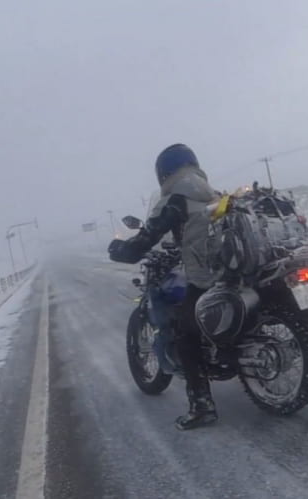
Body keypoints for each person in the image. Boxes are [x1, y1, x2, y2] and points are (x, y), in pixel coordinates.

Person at [108, 144, 221, 430]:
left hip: (203, 275)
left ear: (163, 172)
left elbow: (146, 239)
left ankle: (201, 405)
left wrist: (121, 250)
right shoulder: (212, 193)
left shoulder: (175, 197)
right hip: (226, 271)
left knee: (185, 329)